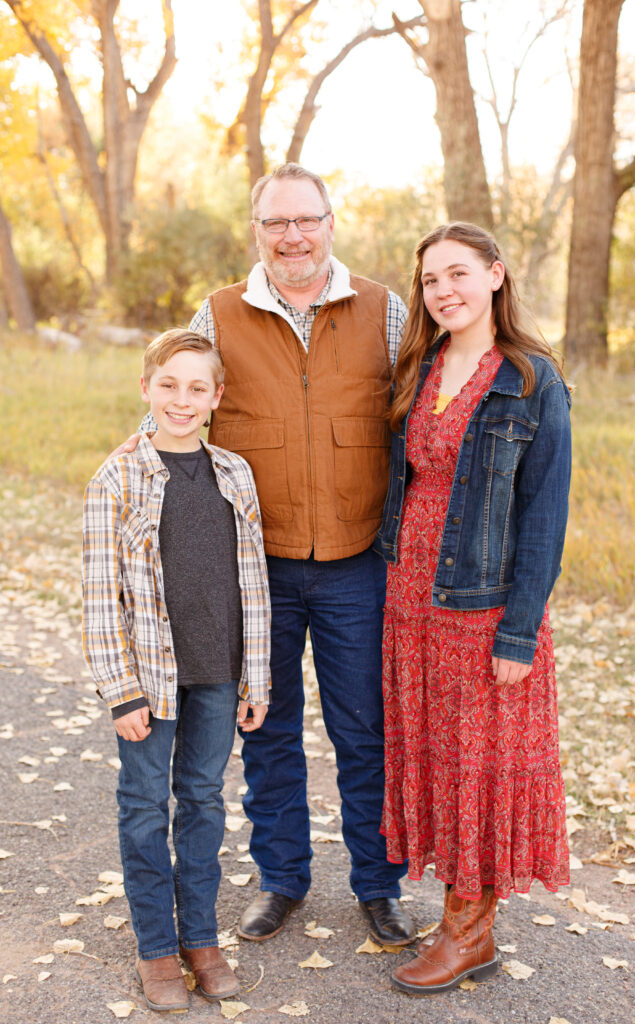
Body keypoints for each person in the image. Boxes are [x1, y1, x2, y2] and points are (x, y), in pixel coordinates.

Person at [129, 164, 415, 946]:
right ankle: (283, 878)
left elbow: (427, 410)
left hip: (359, 563)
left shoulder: (385, 309)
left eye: (305, 220)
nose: (292, 236)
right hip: (254, 572)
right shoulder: (218, 314)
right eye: (275, 223)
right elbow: (172, 407)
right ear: (254, 231)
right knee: (269, 727)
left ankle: (377, 885)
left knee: (365, 732)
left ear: (330, 222)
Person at [374, 222, 572, 995]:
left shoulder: (530, 379)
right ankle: (461, 922)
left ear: (495, 275)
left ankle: (469, 936)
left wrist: (518, 631)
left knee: (479, 772)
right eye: (430, 280)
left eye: (457, 273)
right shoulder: (419, 365)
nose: (443, 290)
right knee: (437, 763)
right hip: (407, 602)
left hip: (481, 608)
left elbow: (544, 515)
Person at [82, 330, 271, 1012]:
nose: (181, 400)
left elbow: (253, 585)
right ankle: (156, 946)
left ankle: (200, 938)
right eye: (168, 385)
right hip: (149, 683)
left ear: (217, 398)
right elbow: (101, 594)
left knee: (201, 803)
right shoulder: (118, 477)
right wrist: (120, 690)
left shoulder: (234, 474)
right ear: (145, 390)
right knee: (142, 808)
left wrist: (258, 677)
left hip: (219, 673)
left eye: (197, 388)